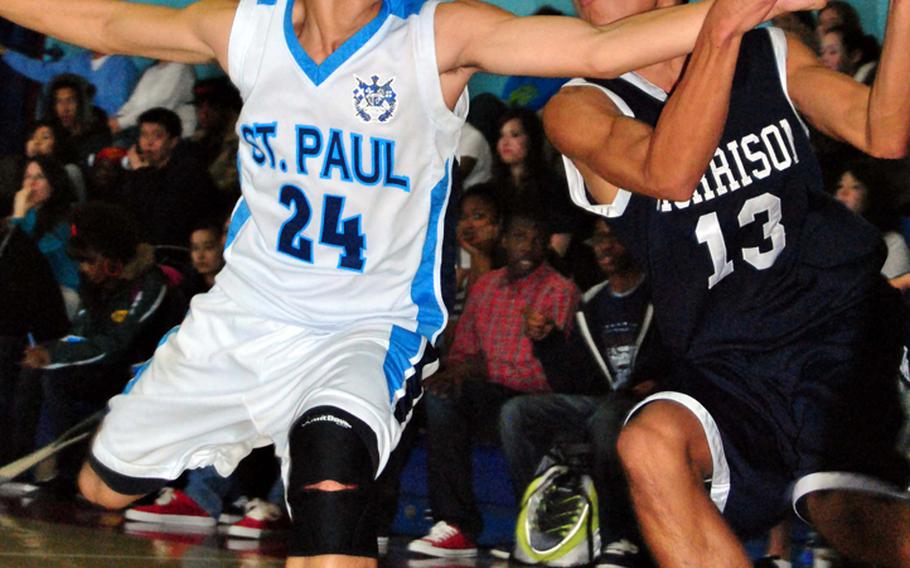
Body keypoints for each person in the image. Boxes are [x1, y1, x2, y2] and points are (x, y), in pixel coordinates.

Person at [0, 0, 820, 567]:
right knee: (99, 485)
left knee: (333, 470)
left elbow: (599, 49)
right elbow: (108, 19)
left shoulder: (436, 35)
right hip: (242, 322)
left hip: (368, 328)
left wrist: (733, 10)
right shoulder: (249, 29)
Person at [543, 0, 910, 564]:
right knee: (649, 442)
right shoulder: (579, 105)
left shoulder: (767, 51)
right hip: (730, 364)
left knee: (845, 507)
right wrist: (724, 24)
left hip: (836, 326)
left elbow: (882, 132)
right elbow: (669, 170)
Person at [409, 207, 580, 558]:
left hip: (537, 399)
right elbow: (464, 353)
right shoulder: (487, 286)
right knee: (439, 396)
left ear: (547, 245)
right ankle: (456, 525)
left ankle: (532, 525)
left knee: (514, 411)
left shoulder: (559, 290)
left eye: (537, 240)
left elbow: (547, 374)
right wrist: (459, 370)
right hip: (492, 390)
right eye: (520, 237)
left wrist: (481, 368)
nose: (528, 247)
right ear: (504, 242)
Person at [499, 218, 669, 567]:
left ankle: (618, 537)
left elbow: (686, 353)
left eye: (614, 238)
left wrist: (663, 381)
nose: (604, 247)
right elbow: (574, 381)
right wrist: (546, 341)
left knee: (608, 419)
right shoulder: (590, 303)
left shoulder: (663, 297)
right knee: (516, 413)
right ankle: (534, 523)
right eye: (598, 239)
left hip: (652, 404)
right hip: (602, 401)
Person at [21, 201, 186, 491]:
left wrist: (56, 355)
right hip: (107, 370)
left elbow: (115, 344)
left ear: (111, 259)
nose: (83, 270)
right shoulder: (96, 287)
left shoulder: (150, 285)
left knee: (58, 377)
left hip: (142, 376)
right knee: (39, 374)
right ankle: (40, 468)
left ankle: (63, 471)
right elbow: (81, 334)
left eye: (88, 260)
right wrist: (48, 353)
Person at [114, 107, 220, 247]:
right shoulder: (139, 170)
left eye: (157, 136)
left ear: (173, 141)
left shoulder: (188, 172)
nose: (149, 142)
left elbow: (164, 220)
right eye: (144, 135)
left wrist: (142, 174)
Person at [9, 156, 80, 315]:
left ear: (53, 184)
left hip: (61, 291)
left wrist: (18, 215)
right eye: (27, 176)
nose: (31, 183)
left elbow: (27, 258)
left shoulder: (64, 219)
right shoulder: (28, 214)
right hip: (29, 289)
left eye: (39, 177)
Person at [0, 44, 139, 117]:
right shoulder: (80, 60)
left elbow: (117, 109)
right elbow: (42, 71)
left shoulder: (122, 64)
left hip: (106, 137)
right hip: (73, 131)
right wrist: (6, 53)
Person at [833, 158, 910, 280]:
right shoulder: (829, 239)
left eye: (855, 187)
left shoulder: (891, 245)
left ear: (871, 196)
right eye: (840, 186)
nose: (843, 192)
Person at [108, 60, 197, 142]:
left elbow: (159, 106)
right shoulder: (151, 71)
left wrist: (121, 123)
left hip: (173, 132)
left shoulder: (180, 67)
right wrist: (117, 117)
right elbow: (134, 101)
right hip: (142, 127)